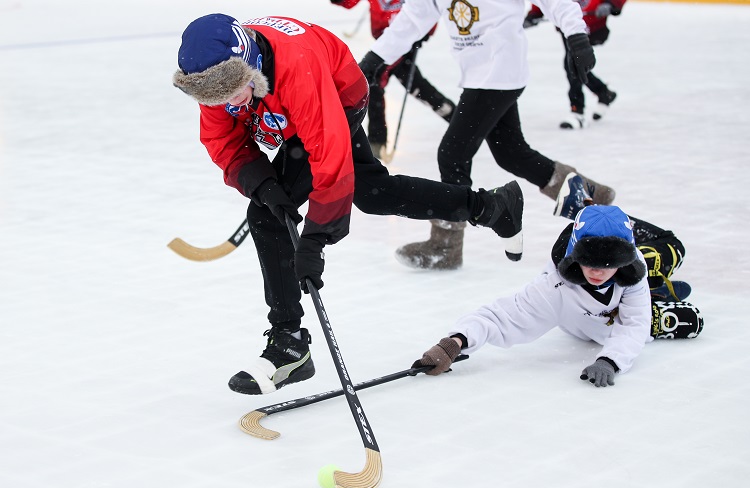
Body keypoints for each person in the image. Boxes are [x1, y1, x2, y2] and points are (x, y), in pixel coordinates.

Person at [172, 13, 524, 396]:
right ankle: (490, 207)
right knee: (372, 192)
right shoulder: (215, 78)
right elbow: (223, 142)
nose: (230, 102)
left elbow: (330, 159)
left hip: (339, 95)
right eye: (217, 98)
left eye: (234, 90)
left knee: (265, 219)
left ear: (249, 62)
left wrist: (315, 240)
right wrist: (261, 182)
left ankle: (289, 346)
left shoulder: (295, 69)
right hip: (291, 108)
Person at [357, 0, 617, 271]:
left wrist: (576, 36)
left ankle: (446, 244)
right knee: (512, 154)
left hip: (500, 70)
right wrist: (376, 58)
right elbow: (412, 20)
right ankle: (591, 197)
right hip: (479, 73)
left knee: (452, 154)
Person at [412, 200, 703, 388]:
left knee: (673, 247)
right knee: (688, 321)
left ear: (623, 261)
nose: (597, 272)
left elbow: (634, 324)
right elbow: (502, 317)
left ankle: (658, 287)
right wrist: (455, 342)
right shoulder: (554, 287)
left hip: (627, 295)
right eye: (589, 261)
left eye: (609, 263)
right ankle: (663, 296)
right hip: (593, 324)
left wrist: (610, 360)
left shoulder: (632, 269)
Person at [330, 0, 456, 159]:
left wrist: (424, 33)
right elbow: (349, 3)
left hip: (401, 44)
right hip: (383, 46)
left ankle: (377, 143)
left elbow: (427, 10)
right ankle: (457, 117)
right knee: (416, 87)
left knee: (373, 82)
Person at [524, 0, 626, 129]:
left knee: (573, 63)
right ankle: (602, 93)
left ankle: (578, 110)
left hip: (591, 23)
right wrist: (534, 14)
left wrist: (611, 4)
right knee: (572, 63)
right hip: (567, 24)